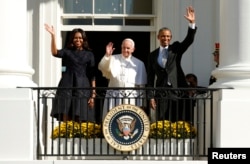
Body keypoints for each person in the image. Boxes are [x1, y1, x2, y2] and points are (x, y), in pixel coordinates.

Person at [147, 6, 197, 122]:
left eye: (168, 36)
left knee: (177, 119)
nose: (166, 38)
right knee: (162, 121)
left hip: (177, 91)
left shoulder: (175, 49)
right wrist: (151, 97)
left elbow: (188, 40)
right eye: (163, 36)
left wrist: (192, 23)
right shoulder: (152, 55)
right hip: (161, 93)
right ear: (158, 37)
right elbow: (150, 78)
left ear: (171, 38)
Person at [44, 23, 96, 122]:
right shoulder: (68, 51)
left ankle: (78, 136)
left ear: (83, 39)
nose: (78, 40)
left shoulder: (89, 54)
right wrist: (53, 36)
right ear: (72, 39)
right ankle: (66, 135)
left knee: (80, 113)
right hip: (67, 84)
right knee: (66, 111)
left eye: (80, 38)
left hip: (82, 85)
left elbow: (92, 75)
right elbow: (55, 52)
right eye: (75, 38)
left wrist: (93, 94)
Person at [98, 38, 147, 120]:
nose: (125, 50)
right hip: (114, 95)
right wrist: (107, 56)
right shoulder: (113, 58)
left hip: (131, 97)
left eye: (128, 48)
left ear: (133, 49)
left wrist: (142, 104)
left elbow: (141, 86)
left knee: (129, 120)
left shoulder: (139, 63)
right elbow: (102, 68)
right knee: (112, 120)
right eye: (123, 48)